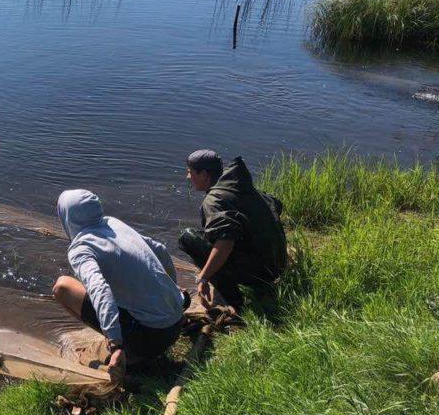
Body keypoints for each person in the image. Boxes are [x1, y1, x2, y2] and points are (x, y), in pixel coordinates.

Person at [52, 189, 188, 374]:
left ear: (67, 217)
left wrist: (116, 343)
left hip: (152, 338)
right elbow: (160, 249)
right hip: (176, 321)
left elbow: (100, 289)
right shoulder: (112, 223)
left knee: (63, 287)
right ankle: (124, 338)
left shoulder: (80, 248)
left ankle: (129, 353)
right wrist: (173, 290)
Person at [180, 150, 287, 311]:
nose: (189, 177)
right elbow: (277, 205)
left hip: (260, 274)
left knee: (188, 237)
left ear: (204, 174)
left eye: (191, 172)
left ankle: (235, 301)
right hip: (277, 264)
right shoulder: (242, 187)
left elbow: (226, 242)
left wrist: (203, 278)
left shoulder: (213, 201)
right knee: (214, 234)